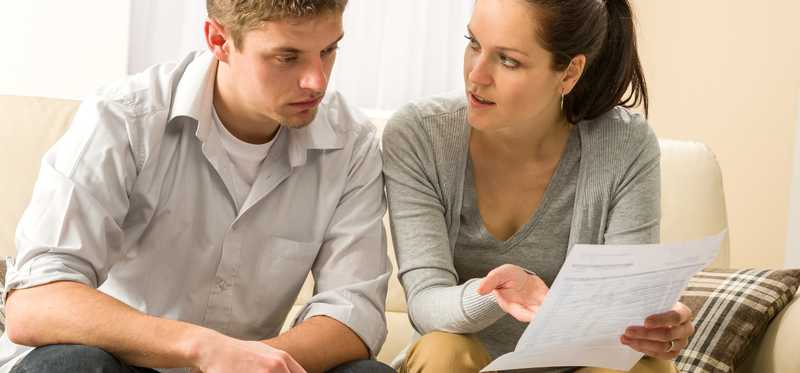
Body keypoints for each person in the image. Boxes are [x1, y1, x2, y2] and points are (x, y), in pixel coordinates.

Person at [1, 1, 394, 372]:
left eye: (328, 50)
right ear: (219, 41)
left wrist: (248, 362)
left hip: (256, 368)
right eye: (287, 57)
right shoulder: (124, 118)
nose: (316, 81)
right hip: (119, 363)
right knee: (70, 366)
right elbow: (36, 301)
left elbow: (352, 312)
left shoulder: (350, 144)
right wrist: (203, 347)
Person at [382, 0, 693, 372]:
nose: (476, 76)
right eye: (474, 43)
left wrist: (652, 322)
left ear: (569, 72)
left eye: (508, 60)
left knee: (649, 367)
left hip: (580, 364)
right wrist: (496, 295)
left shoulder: (625, 145)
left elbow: (621, 300)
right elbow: (425, 302)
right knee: (442, 349)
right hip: (463, 364)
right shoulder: (420, 137)